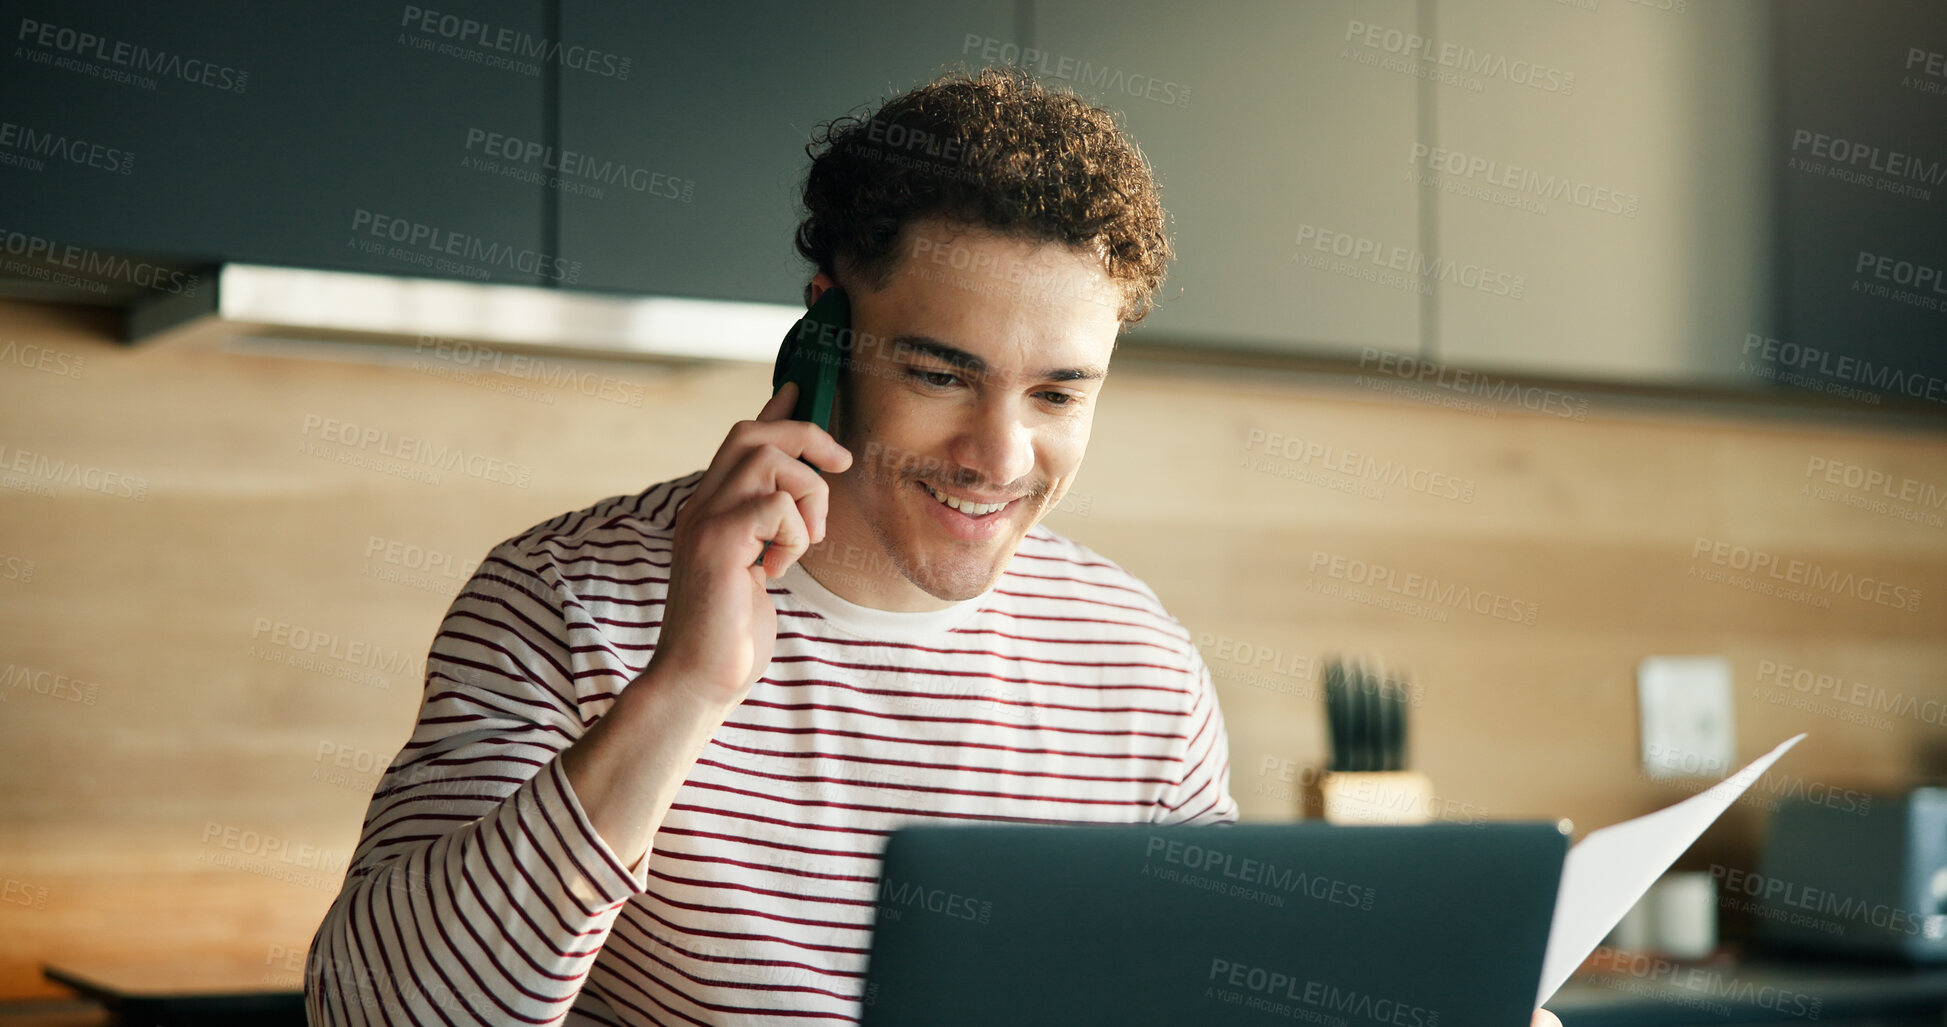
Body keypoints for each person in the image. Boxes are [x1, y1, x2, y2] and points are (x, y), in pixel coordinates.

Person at [304, 65, 1562, 1027]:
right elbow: (377, 1011)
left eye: (1060, 394)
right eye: (943, 371)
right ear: (825, 335)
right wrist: (683, 688)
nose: (1000, 457)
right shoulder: (566, 603)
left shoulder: (1137, 664)